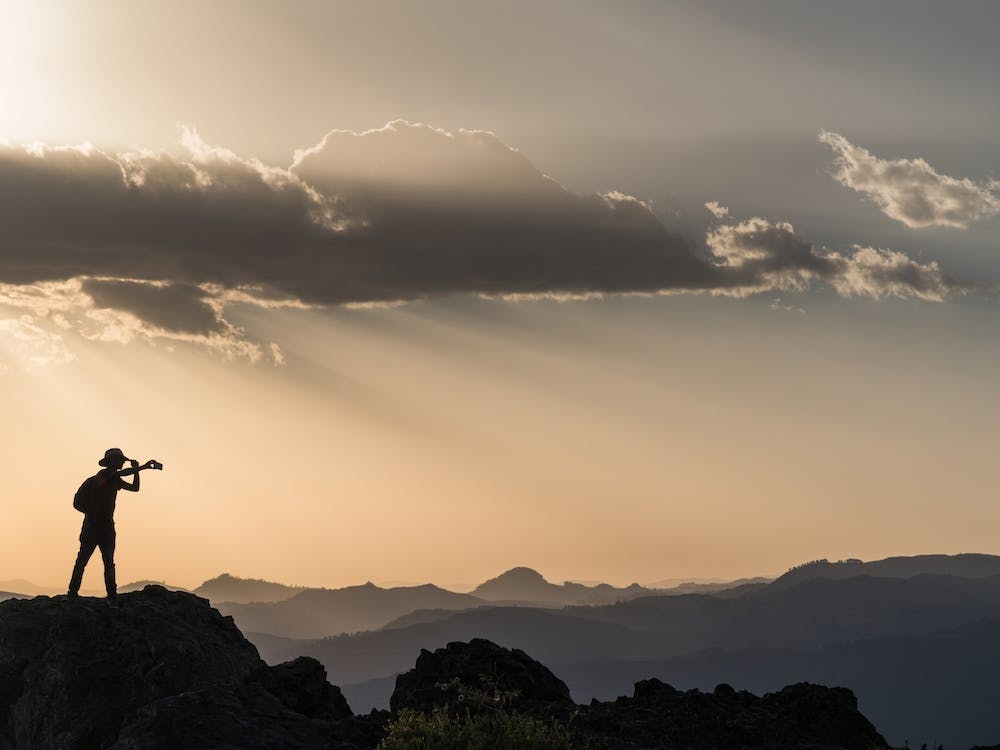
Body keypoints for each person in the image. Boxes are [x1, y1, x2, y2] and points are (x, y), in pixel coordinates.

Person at [67, 448, 142, 599]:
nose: (122, 463)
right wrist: (140, 468)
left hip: (106, 527)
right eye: (119, 460)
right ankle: (73, 593)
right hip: (92, 527)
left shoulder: (115, 479)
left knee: (107, 562)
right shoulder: (101, 476)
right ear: (111, 461)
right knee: (83, 561)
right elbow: (118, 475)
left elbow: (135, 488)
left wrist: (136, 472)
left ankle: (111, 594)